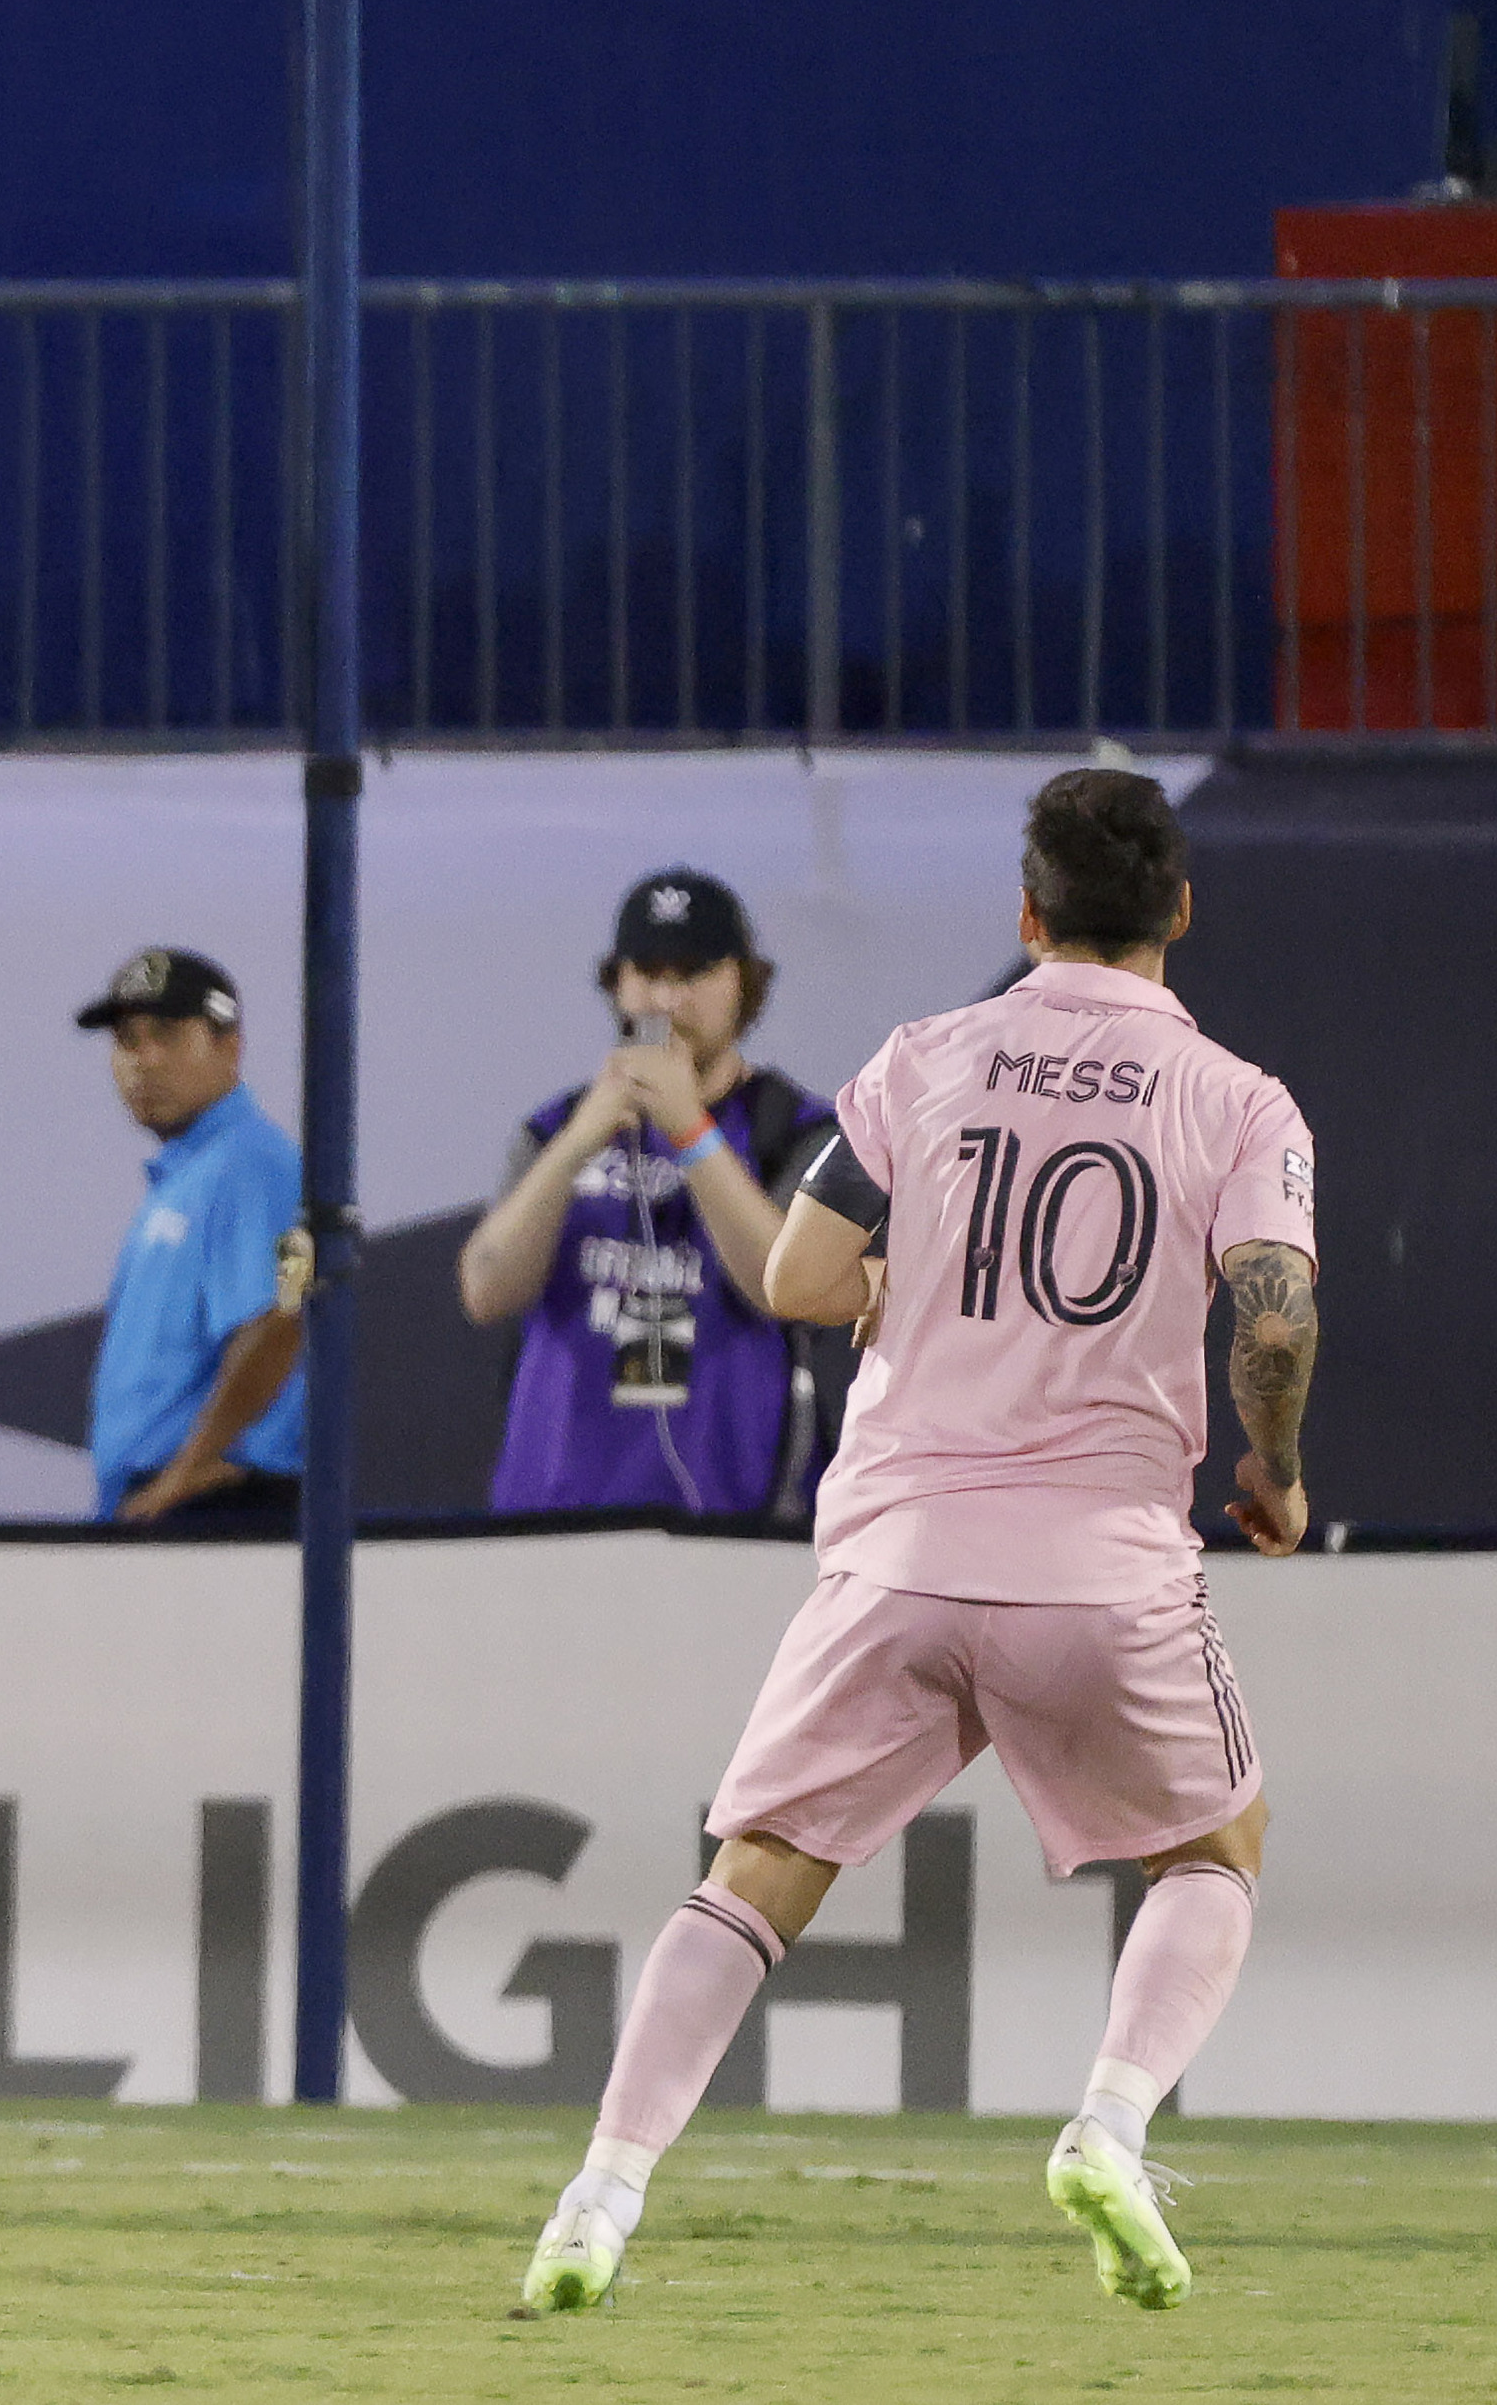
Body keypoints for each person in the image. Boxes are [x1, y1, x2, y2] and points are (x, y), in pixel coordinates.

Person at [520, 770, 1317, 2319]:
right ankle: (1109, 2122)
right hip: (1099, 1567)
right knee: (1217, 1847)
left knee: (749, 1883)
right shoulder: (1237, 1098)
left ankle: (597, 2198)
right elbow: (1273, 1304)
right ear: (1181, 915)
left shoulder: (925, 1059)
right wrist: (1274, 1467)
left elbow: (803, 1275)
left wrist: (910, 1296)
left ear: (1026, 916)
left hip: (894, 1554)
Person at [457, 869, 841, 1519]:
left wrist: (690, 1131)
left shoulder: (795, 1128)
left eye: (692, 974)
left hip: (728, 1514)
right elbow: (486, 1291)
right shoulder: (557, 1126)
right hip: (552, 1511)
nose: (667, 998)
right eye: (648, 973)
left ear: (742, 981)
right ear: (617, 982)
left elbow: (785, 1286)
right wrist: (578, 1144)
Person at [75, 948, 309, 1528]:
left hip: (214, 1503)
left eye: (168, 1035)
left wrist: (189, 1468)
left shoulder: (258, 1166)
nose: (145, 1060)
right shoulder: (194, 1175)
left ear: (230, 1045)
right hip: (177, 1497)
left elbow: (288, 1312)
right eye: (127, 1039)